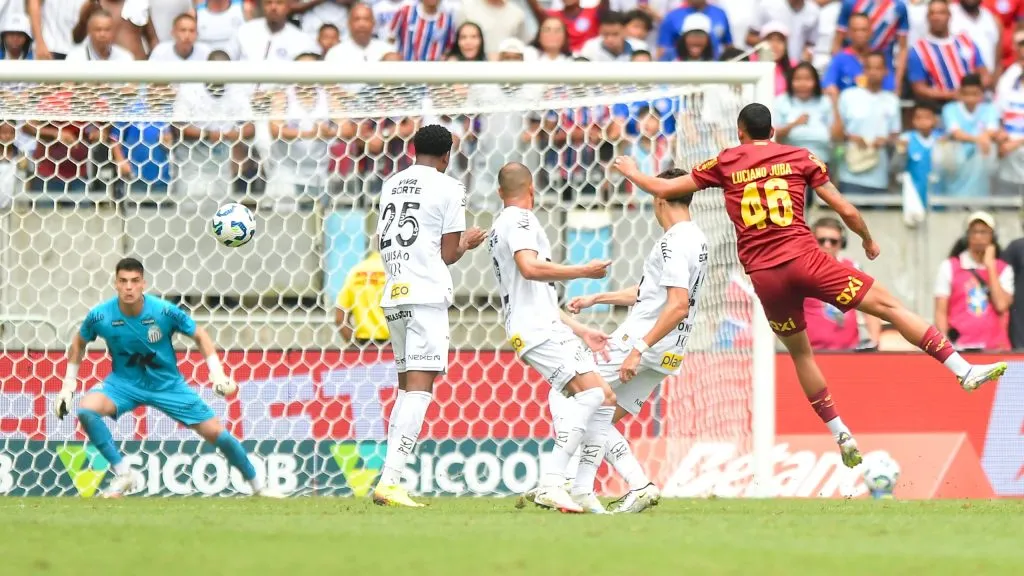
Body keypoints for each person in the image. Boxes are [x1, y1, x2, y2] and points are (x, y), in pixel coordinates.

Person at [613, 102, 1008, 467]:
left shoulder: (727, 161)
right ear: (773, 130)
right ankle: (961, 370)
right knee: (890, 307)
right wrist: (868, 240)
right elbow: (846, 209)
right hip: (807, 260)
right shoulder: (799, 157)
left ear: (740, 131)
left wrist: (631, 170)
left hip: (765, 278)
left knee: (801, 354)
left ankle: (841, 434)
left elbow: (665, 189)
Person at [543, 167, 706, 513]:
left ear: (660, 196)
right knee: (598, 413)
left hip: (642, 342)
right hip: (670, 352)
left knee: (565, 391)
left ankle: (565, 481)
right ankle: (622, 486)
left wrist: (637, 350)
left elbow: (677, 305)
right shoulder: (698, 240)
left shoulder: (673, 242)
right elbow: (650, 295)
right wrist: (595, 299)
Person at [53, 258, 283, 498]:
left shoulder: (164, 311)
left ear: (143, 283)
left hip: (167, 385)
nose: (129, 287)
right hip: (123, 383)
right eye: (123, 281)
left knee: (217, 433)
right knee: (86, 410)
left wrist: (217, 373)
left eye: (134, 281)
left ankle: (258, 486)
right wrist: (68, 386)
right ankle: (124, 474)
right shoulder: (100, 316)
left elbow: (200, 335)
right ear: (115, 284)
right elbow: (79, 343)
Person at [488, 161, 615, 514]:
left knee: (603, 397)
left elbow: (536, 291)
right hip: (536, 329)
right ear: (532, 189)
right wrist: (583, 271)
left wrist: (582, 329)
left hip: (540, 324)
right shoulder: (521, 220)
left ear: (500, 193)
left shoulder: (502, 223)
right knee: (592, 394)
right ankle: (553, 482)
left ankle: (581, 488)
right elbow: (530, 269)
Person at [372, 125, 486, 507]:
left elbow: (379, 240)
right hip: (425, 295)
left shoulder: (391, 183)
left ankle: (390, 478)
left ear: (411, 150)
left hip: (395, 293)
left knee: (406, 388)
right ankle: (391, 481)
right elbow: (449, 254)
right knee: (420, 390)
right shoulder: (450, 187)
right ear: (447, 155)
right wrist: (468, 242)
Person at [934, 212, 1013, 350]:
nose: (978, 237)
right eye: (974, 232)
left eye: (984, 232)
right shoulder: (950, 266)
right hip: (960, 347)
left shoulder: (1003, 269)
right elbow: (941, 311)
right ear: (967, 236)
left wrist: (990, 267)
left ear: (993, 237)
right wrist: (945, 345)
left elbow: (1001, 305)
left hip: (995, 348)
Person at [804, 217, 882, 350]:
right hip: (812, 353)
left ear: (842, 243)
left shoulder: (853, 268)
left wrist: (874, 341)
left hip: (849, 353)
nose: (827, 245)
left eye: (833, 241)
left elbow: (872, 307)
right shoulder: (801, 269)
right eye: (821, 240)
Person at [336, 236, 389, 347]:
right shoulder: (400, 272)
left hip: (365, 348)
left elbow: (339, 318)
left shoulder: (356, 271)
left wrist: (354, 347)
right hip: (394, 348)